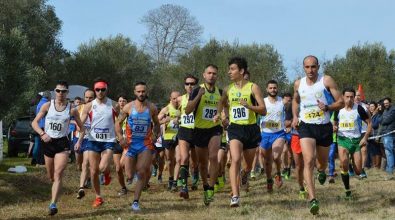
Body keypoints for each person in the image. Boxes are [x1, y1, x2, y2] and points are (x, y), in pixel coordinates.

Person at [291, 55, 344, 215]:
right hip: (306, 126)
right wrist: (295, 116)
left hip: (324, 127)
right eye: (307, 67)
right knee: (308, 160)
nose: (310, 70)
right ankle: (313, 198)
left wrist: (327, 107)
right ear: (303, 68)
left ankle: (321, 171)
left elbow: (340, 102)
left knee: (321, 163)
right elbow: (295, 101)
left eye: (313, 67)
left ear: (318, 67)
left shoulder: (326, 81)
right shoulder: (298, 84)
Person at [215, 57, 266, 207]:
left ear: (241, 71)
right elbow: (221, 102)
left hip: (251, 129)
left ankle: (245, 173)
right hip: (235, 128)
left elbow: (263, 110)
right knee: (235, 159)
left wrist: (249, 107)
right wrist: (220, 114)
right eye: (229, 69)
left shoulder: (253, 87)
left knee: (248, 165)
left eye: (232, 69)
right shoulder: (227, 89)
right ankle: (235, 196)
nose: (229, 72)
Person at [32, 80, 85, 215]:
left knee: (58, 173)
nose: (60, 93)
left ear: (67, 93)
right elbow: (34, 123)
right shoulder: (47, 105)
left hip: (62, 143)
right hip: (48, 143)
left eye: (63, 91)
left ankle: (53, 204)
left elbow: (82, 129)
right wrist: (42, 134)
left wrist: (78, 141)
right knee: (51, 176)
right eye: (58, 91)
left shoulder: (72, 109)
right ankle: (54, 190)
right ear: (54, 92)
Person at [116, 82, 160, 211]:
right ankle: (133, 175)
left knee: (141, 171)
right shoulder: (128, 107)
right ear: (135, 92)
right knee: (129, 174)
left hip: (145, 144)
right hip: (130, 143)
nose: (141, 94)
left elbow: (157, 123)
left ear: (146, 92)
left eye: (143, 91)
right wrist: (120, 138)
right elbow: (118, 123)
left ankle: (135, 201)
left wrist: (155, 134)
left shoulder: (152, 108)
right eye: (139, 91)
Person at [186, 64, 223, 206]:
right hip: (199, 129)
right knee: (202, 163)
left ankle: (211, 188)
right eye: (209, 73)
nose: (211, 75)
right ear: (204, 75)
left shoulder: (220, 92)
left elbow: (222, 108)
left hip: (214, 129)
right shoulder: (197, 90)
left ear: (217, 76)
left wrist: (220, 116)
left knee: (213, 157)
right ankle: (205, 185)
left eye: (214, 73)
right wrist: (198, 97)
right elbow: (188, 111)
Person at [79, 78, 119, 208]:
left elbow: (121, 119)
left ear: (107, 90)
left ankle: (106, 173)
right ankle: (98, 197)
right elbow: (81, 121)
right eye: (97, 89)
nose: (100, 92)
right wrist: (79, 126)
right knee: (94, 171)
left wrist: (121, 134)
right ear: (94, 90)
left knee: (102, 167)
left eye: (103, 89)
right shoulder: (89, 105)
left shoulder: (113, 104)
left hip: (108, 140)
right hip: (93, 140)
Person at [334, 88, 371, 199]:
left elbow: (369, 123)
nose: (349, 99)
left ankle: (353, 162)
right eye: (347, 97)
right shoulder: (338, 109)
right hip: (342, 139)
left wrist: (365, 138)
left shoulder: (359, 109)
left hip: (355, 141)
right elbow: (334, 123)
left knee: (358, 170)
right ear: (343, 97)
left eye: (351, 97)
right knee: (343, 164)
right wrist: (334, 127)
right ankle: (347, 190)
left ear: (354, 97)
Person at [259, 80, 287, 191]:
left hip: (279, 133)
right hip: (265, 134)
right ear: (267, 89)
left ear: (277, 88)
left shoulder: (283, 101)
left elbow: (291, 111)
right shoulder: (262, 101)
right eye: (270, 88)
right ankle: (269, 178)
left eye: (275, 88)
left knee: (276, 157)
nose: (273, 90)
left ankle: (278, 173)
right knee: (267, 161)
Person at [176, 74, 199, 199]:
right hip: (184, 130)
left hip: (197, 131)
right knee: (183, 158)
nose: (190, 86)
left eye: (192, 84)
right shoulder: (179, 99)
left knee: (195, 162)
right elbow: (173, 111)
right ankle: (184, 187)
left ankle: (196, 174)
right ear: (184, 86)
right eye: (187, 84)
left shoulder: (200, 97)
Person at [158, 91, 181, 191]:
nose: (176, 100)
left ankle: (175, 182)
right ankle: (171, 179)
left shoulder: (182, 108)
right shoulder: (166, 109)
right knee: (170, 161)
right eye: (174, 98)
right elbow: (157, 120)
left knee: (179, 159)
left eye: (178, 98)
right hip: (168, 137)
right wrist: (167, 120)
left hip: (180, 136)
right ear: (170, 99)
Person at [76, 89, 95, 199]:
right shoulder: (79, 108)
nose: (88, 99)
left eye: (91, 97)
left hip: (90, 139)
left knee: (85, 163)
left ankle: (81, 188)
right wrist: (78, 125)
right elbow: (71, 120)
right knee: (79, 164)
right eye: (87, 97)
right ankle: (87, 178)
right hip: (79, 138)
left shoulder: (97, 109)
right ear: (84, 98)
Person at [113, 94, 128, 196]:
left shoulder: (130, 113)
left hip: (127, 143)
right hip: (116, 142)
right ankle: (123, 188)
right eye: (120, 101)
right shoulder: (113, 115)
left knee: (123, 165)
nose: (122, 102)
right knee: (118, 169)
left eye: (124, 101)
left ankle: (134, 175)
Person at [33, 91, 51, 166]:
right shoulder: (46, 104)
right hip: (43, 126)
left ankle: (36, 160)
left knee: (38, 144)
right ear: (48, 96)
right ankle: (40, 161)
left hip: (38, 126)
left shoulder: (39, 103)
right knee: (42, 145)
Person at [380, 97, 395, 180]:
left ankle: (389, 171)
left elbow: (385, 121)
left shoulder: (393, 110)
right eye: (384, 103)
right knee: (388, 152)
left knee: (389, 152)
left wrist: (383, 120)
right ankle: (390, 169)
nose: (386, 104)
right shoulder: (384, 111)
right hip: (385, 133)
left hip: (390, 133)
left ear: (390, 102)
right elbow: (381, 120)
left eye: (387, 103)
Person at [367, 102, 382, 169]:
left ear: (376, 107)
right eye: (370, 106)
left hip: (375, 135)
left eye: (372, 106)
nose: (371, 108)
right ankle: (373, 165)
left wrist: (369, 125)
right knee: (372, 151)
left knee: (377, 151)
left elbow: (375, 124)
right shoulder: (370, 115)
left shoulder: (378, 115)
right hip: (370, 136)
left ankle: (377, 166)